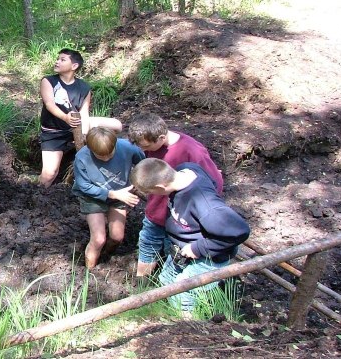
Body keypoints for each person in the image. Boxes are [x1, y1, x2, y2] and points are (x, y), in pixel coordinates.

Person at [130, 158, 250, 315]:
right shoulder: (185, 169)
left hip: (208, 258)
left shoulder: (205, 205)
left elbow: (240, 231)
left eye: (150, 192)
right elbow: (213, 183)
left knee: (181, 291)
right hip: (182, 250)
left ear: (160, 186)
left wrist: (198, 248)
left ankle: (187, 325)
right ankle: (171, 313)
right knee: (166, 280)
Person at [127, 113, 223, 283]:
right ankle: (141, 285)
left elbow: (214, 184)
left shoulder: (192, 151)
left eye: (146, 146)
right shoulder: (151, 146)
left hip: (180, 217)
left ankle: (169, 287)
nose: (144, 151)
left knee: (173, 250)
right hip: (156, 211)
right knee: (148, 242)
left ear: (161, 137)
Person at [39, 48, 123, 187]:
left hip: (76, 126)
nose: (57, 61)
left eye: (62, 59)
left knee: (117, 125)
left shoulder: (84, 87)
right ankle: (36, 196)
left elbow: (84, 112)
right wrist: (65, 117)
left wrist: (83, 135)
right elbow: (49, 104)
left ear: (74, 66)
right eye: (57, 58)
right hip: (53, 132)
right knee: (49, 174)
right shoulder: (48, 81)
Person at [72, 127, 144, 269]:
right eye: (100, 156)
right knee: (98, 239)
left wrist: (138, 183)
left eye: (109, 155)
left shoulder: (128, 148)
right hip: (92, 197)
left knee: (117, 237)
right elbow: (84, 186)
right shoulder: (82, 157)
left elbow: (144, 164)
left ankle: (106, 256)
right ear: (91, 149)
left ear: (115, 145)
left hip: (120, 195)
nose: (106, 158)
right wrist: (113, 194)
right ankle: (88, 272)